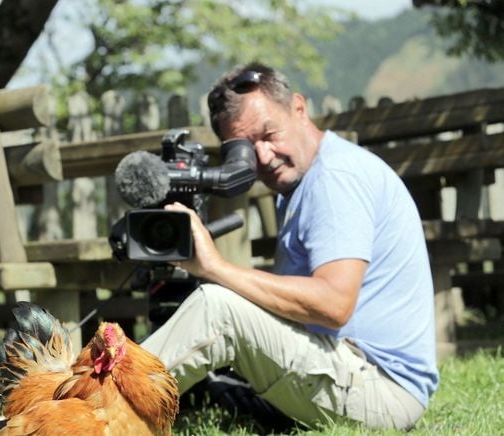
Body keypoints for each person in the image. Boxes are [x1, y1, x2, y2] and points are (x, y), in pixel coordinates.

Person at [141, 62, 439, 430]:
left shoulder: (335, 178)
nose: (263, 156)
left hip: (382, 392)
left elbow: (333, 304)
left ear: (299, 108)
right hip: (361, 376)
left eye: (269, 134)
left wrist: (215, 268)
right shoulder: (307, 180)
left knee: (218, 307)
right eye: (247, 150)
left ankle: (85, 416)